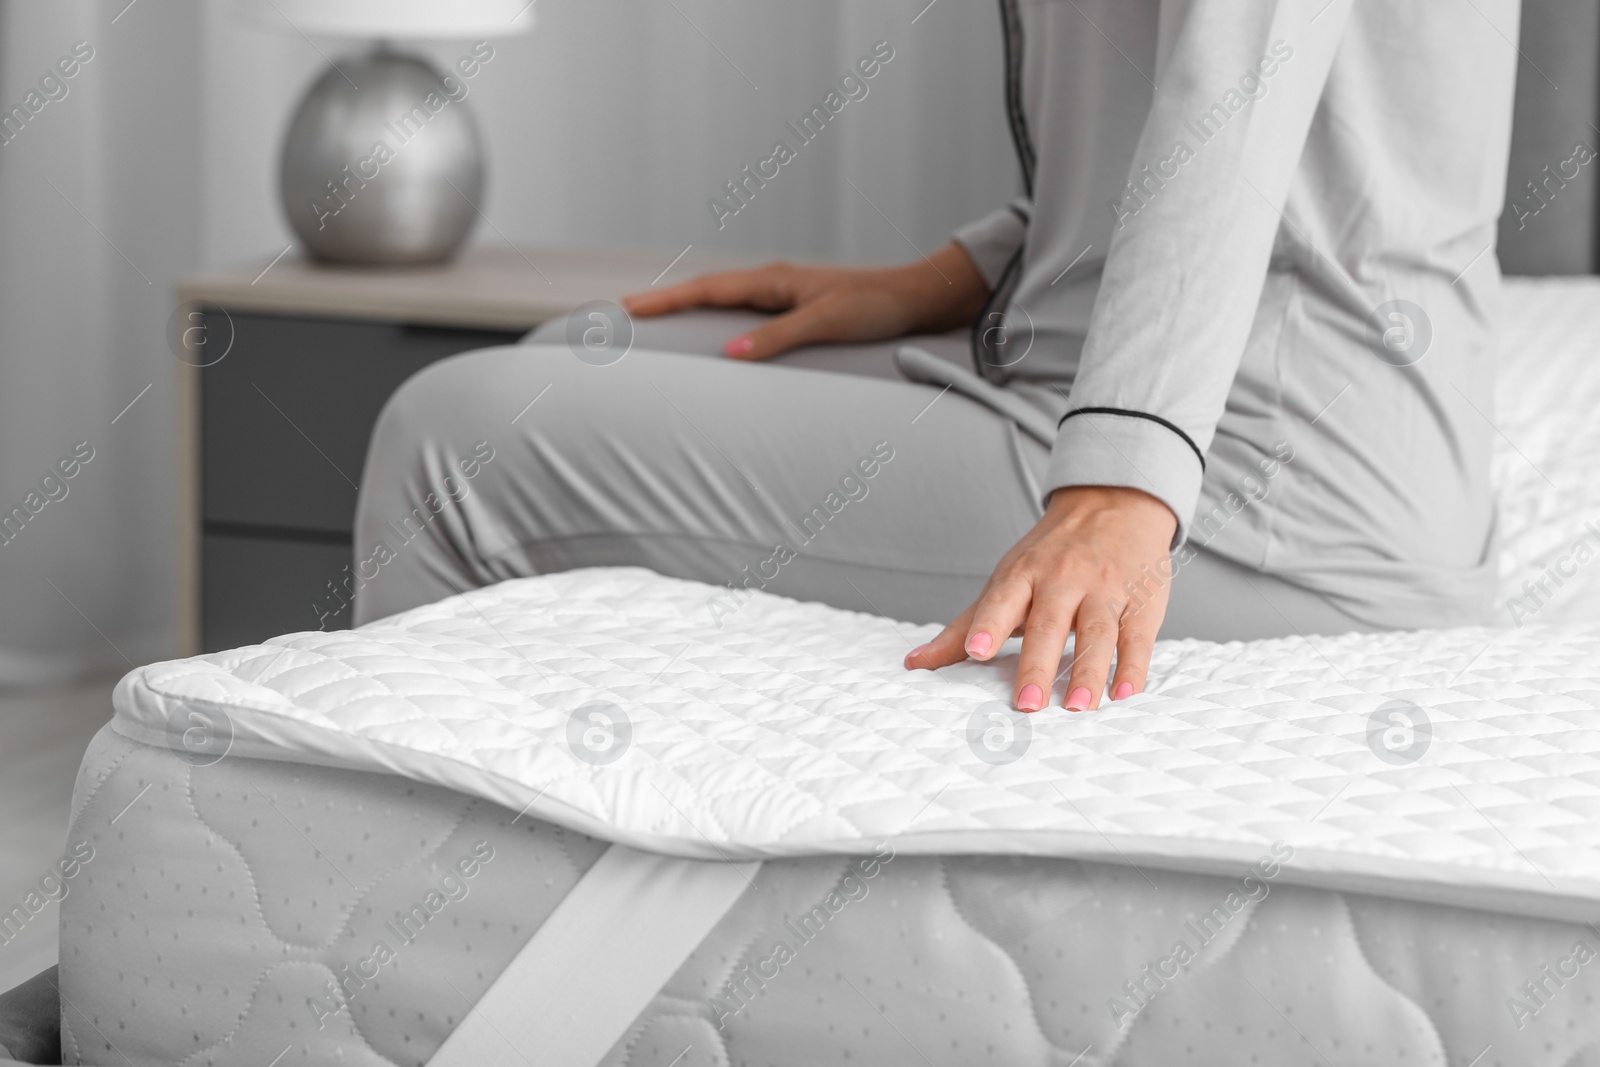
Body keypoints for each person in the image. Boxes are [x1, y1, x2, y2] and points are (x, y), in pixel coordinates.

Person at [352, 0, 1515, 713]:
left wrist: (1122, 486)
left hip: (1270, 470)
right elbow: (1163, 129)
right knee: (579, 352)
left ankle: (407, 927)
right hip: (1095, 368)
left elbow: (1236, 98)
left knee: (453, 440)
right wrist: (943, 280)